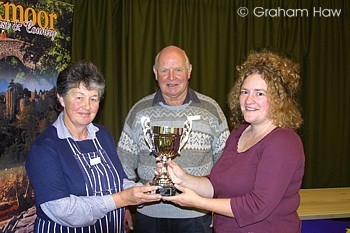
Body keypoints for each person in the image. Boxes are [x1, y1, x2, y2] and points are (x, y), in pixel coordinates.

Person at [163, 50, 305, 233]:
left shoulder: (283, 142)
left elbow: (257, 207)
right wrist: (183, 178)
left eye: (260, 93)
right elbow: (216, 186)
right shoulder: (239, 133)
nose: (249, 100)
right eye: (245, 92)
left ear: (278, 99)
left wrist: (199, 203)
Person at [25, 60, 161, 233]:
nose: (87, 106)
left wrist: (141, 191)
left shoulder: (102, 135)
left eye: (93, 98)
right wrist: (121, 200)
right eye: (79, 97)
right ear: (61, 98)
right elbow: (63, 210)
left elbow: (120, 182)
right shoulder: (45, 147)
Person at [117, 45, 230, 233]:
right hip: (149, 215)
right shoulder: (139, 111)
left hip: (197, 215)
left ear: (189, 71)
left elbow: (225, 166)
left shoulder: (211, 110)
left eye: (178, 70)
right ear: (155, 73)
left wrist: (216, 206)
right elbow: (123, 165)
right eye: (164, 70)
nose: (171, 77)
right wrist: (125, 205)